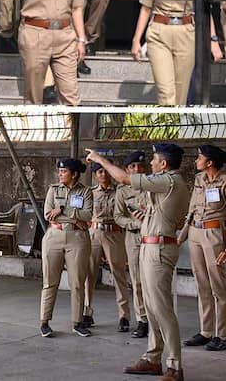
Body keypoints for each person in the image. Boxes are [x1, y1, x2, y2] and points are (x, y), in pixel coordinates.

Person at [86, 144, 189, 381]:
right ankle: (153, 358)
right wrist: (146, 217)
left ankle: (174, 367)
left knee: (162, 308)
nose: (150, 164)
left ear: (163, 164)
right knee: (151, 307)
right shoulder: (166, 184)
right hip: (150, 244)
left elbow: (124, 178)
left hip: (159, 249)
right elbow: (159, 214)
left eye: (153, 160)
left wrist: (100, 159)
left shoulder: (170, 180)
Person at [131, 0, 222, 105]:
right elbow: (145, 8)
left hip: (186, 33)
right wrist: (136, 40)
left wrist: (214, 40)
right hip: (159, 34)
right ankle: (167, 129)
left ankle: (175, 130)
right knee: (166, 92)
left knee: (180, 93)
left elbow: (204, 10)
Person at [178, 145, 226, 352]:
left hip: (214, 235)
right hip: (195, 233)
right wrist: (182, 235)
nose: (196, 160)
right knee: (202, 285)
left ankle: (221, 336)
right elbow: (191, 210)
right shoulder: (199, 180)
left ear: (210, 162)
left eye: (199, 158)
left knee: (218, 286)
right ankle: (206, 332)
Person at [39, 158, 93, 338]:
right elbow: (48, 214)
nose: (60, 174)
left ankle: (77, 322)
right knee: (50, 281)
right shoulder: (53, 189)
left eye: (64, 172)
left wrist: (61, 209)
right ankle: (44, 322)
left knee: (77, 282)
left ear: (74, 174)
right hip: (54, 236)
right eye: (60, 172)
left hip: (77, 238)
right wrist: (74, 217)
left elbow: (87, 214)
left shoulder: (85, 191)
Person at [83, 162, 130, 332]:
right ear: (95, 175)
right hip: (94, 233)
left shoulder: (120, 191)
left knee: (118, 274)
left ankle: (124, 316)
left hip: (114, 233)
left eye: (105, 171)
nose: (103, 174)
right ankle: (87, 312)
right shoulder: (91, 193)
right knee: (89, 273)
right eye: (99, 172)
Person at [113, 150, 150, 339]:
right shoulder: (123, 190)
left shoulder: (152, 185)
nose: (137, 169)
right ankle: (142, 320)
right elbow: (118, 216)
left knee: (153, 280)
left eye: (141, 166)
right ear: (127, 170)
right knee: (136, 280)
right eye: (133, 166)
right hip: (134, 237)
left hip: (152, 237)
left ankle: (156, 319)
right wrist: (135, 223)